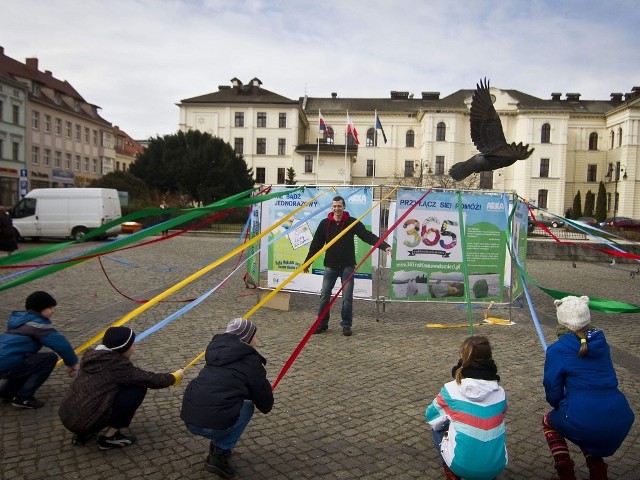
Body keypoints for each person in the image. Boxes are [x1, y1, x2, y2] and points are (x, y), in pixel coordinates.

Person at [542, 295, 634, 480]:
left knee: (551, 421)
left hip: (584, 417)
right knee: (587, 420)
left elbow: (552, 388)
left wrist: (559, 403)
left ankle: (565, 468)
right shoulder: (602, 344)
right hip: (620, 416)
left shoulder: (557, 350)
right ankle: (598, 471)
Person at [59, 326, 183, 449]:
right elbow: (149, 379)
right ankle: (109, 437)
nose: (135, 347)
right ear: (123, 348)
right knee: (137, 388)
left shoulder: (92, 357)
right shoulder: (116, 364)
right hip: (85, 421)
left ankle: (83, 433)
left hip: (67, 416)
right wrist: (173, 377)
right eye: (132, 344)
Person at [181, 318, 274, 479]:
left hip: (189, 419)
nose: (257, 340)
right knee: (247, 406)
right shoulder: (251, 361)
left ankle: (216, 447)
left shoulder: (215, 352)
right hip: (212, 424)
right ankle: (219, 455)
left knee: (228, 402)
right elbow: (265, 405)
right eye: (255, 336)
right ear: (246, 338)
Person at [303, 195, 391, 336]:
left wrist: (384, 246)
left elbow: (367, 236)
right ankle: (322, 323)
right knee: (324, 296)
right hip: (330, 266)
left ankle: (346, 325)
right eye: (335, 206)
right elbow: (316, 245)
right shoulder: (325, 224)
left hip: (347, 266)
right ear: (332, 208)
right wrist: (307, 263)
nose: (337, 208)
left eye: (339, 206)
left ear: (344, 207)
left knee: (347, 298)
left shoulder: (351, 222)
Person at [425, 336, 507, 480]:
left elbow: (431, 416)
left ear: (463, 358)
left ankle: (451, 471)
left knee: (438, 427)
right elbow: (502, 413)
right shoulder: (500, 392)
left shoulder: (450, 390)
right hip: (496, 467)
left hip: (461, 466)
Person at [0, 291, 78, 409]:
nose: (52, 311)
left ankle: (7, 392)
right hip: (9, 363)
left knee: (27, 362)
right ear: (39, 308)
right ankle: (23, 397)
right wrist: (72, 362)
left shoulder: (19, 321)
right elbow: (62, 345)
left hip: (6, 361)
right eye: (50, 308)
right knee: (49, 358)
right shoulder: (39, 325)